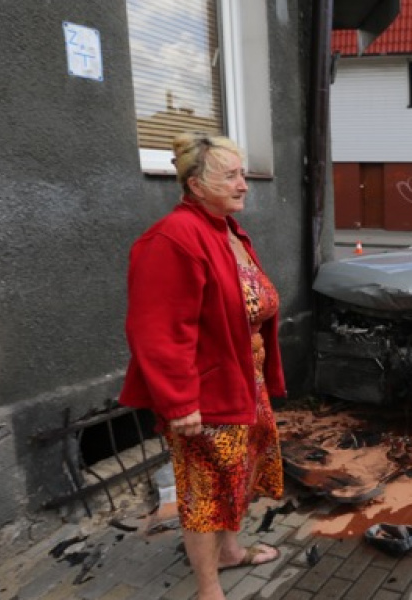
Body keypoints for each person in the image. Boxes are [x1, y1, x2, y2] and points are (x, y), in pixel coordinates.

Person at [119, 133, 285, 600]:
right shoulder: (173, 238)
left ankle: (230, 552)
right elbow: (157, 330)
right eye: (230, 176)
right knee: (206, 494)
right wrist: (179, 402)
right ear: (195, 185)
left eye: (242, 173)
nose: (244, 184)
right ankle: (209, 590)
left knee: (237, 477)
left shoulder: (226, 230)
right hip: (205, 396)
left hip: (243, 381)